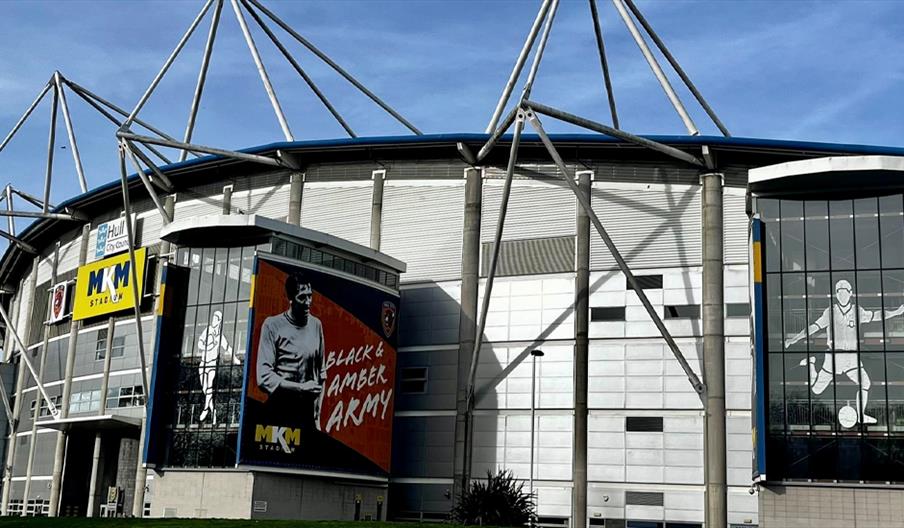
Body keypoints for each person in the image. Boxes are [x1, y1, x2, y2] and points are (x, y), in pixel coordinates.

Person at [786, 279, 904, 425]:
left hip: (851, 357)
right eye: (839, 292)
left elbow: (877, 315)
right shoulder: (830, 312)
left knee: (865, 383)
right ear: (836, 294)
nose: (842, 295)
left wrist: (896, 312)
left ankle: (860, 415)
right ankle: (811, 363)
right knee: (816, 390)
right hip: (834, 357)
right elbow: (814, 327)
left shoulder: (857, 311)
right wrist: (794, 339)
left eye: (845, 292)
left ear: (850, 293)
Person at [256, 271, 325, 431]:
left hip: (306, 413)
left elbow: (322, 373)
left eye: (310, 296)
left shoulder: (316, 325)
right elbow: (264, 377)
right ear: (291, 299)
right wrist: (300, 387)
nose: (308, 302)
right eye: (302, 297)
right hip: (280, 409)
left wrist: (317, 416)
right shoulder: (272, 325)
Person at [197, 310, 238, 423]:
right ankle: (213, 410)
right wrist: (207, 347)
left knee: (209, 386)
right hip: (203, 363)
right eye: (213, 318)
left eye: (216, 318)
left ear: (219, 321)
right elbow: (199, 343)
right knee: (205, 389)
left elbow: (227, 347)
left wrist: (234, 358)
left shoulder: (220, 336)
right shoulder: (207, 330)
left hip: (212, 364)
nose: (213, 320)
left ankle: (205, 409)